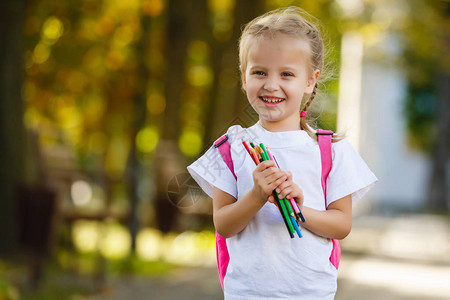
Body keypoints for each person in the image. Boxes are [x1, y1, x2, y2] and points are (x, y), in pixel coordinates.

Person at [187, 6, 377, 300]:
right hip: (246, 293)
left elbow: (341, 225)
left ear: (310, 81)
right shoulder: (231, 146)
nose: (271, 84)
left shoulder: (331, 150)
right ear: (243, 76)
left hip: (312, 292)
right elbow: (223, 225)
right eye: (259, 72)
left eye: (287, 74)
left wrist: (298, 208)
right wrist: (256, 195)